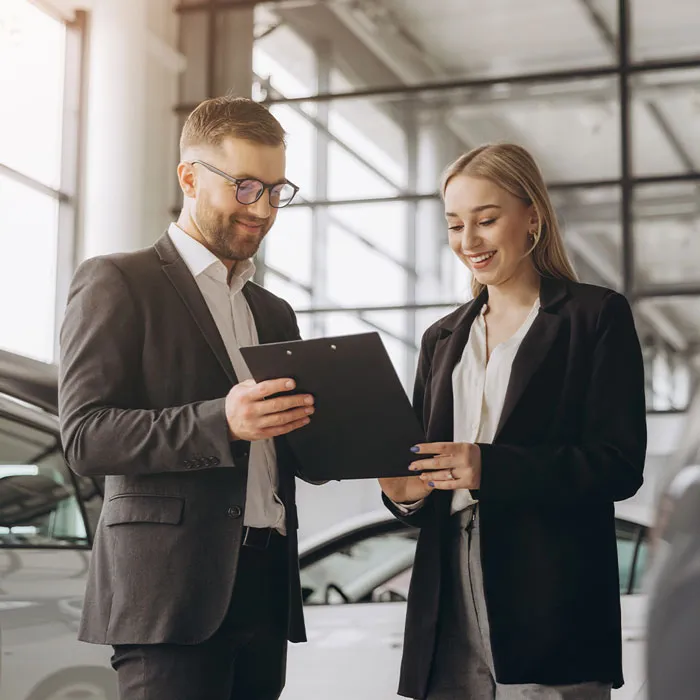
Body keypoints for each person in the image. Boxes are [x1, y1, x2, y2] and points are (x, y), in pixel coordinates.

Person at [59, 96, 317, 700]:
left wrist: (354, 435)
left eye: (278, 191)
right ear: (189, 177)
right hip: (168, 594)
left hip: (263, 584)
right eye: (246, 186)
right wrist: (219, 422)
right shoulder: (119, 281)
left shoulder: (272, 311)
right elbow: (84, 436)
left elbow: (289, 448)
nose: (263, 209)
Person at [379, 143, 647, 700]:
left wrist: (488, 466)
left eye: (486, 220)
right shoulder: (441, 338)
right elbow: (423, 471)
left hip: (550, 590)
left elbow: (618, 466)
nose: (468, 241)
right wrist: (405, 492)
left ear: (533, 217)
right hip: (446, 583)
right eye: (455, 225)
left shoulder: (594, 317)